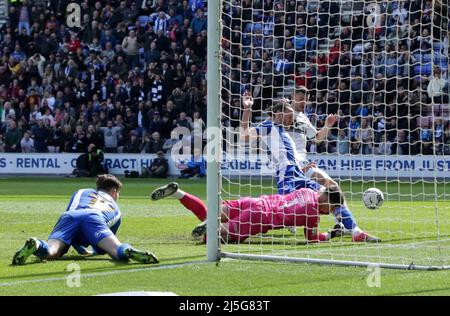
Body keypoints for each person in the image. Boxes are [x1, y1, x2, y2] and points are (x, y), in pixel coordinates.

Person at [241, 90, 380, 242]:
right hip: (288, 178)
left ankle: (355, 232)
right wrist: (247, 108)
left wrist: (303, 168)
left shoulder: (286, 132)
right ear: (279, 113)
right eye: (288, 115)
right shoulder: (268, 126)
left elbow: (292, 152)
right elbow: (245, 136)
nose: (291, 118)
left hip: (298, 173)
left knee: (333, 194)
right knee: (277, 215)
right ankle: (239, 221)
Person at [12, 174, 158, 265]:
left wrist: (73, 245)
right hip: (95, 218)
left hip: (70, 216)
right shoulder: (115, 208)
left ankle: (37, 245)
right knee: (116, 250)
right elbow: (102, 248)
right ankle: (128, 251)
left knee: (52, 251)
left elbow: (71, 212)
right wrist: (92, 251)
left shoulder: (82, 191)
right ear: (114, 192)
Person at [151, 182, 345, 243]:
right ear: (328, 200)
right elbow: (311, 238)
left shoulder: (307, 191)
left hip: (256, 201)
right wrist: (332, 234)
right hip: (260, 217)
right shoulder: (313, 213)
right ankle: (213, 228)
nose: (330, 212)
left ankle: (178, 193)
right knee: (213, 239)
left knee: (211, 213)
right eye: (333, 208)